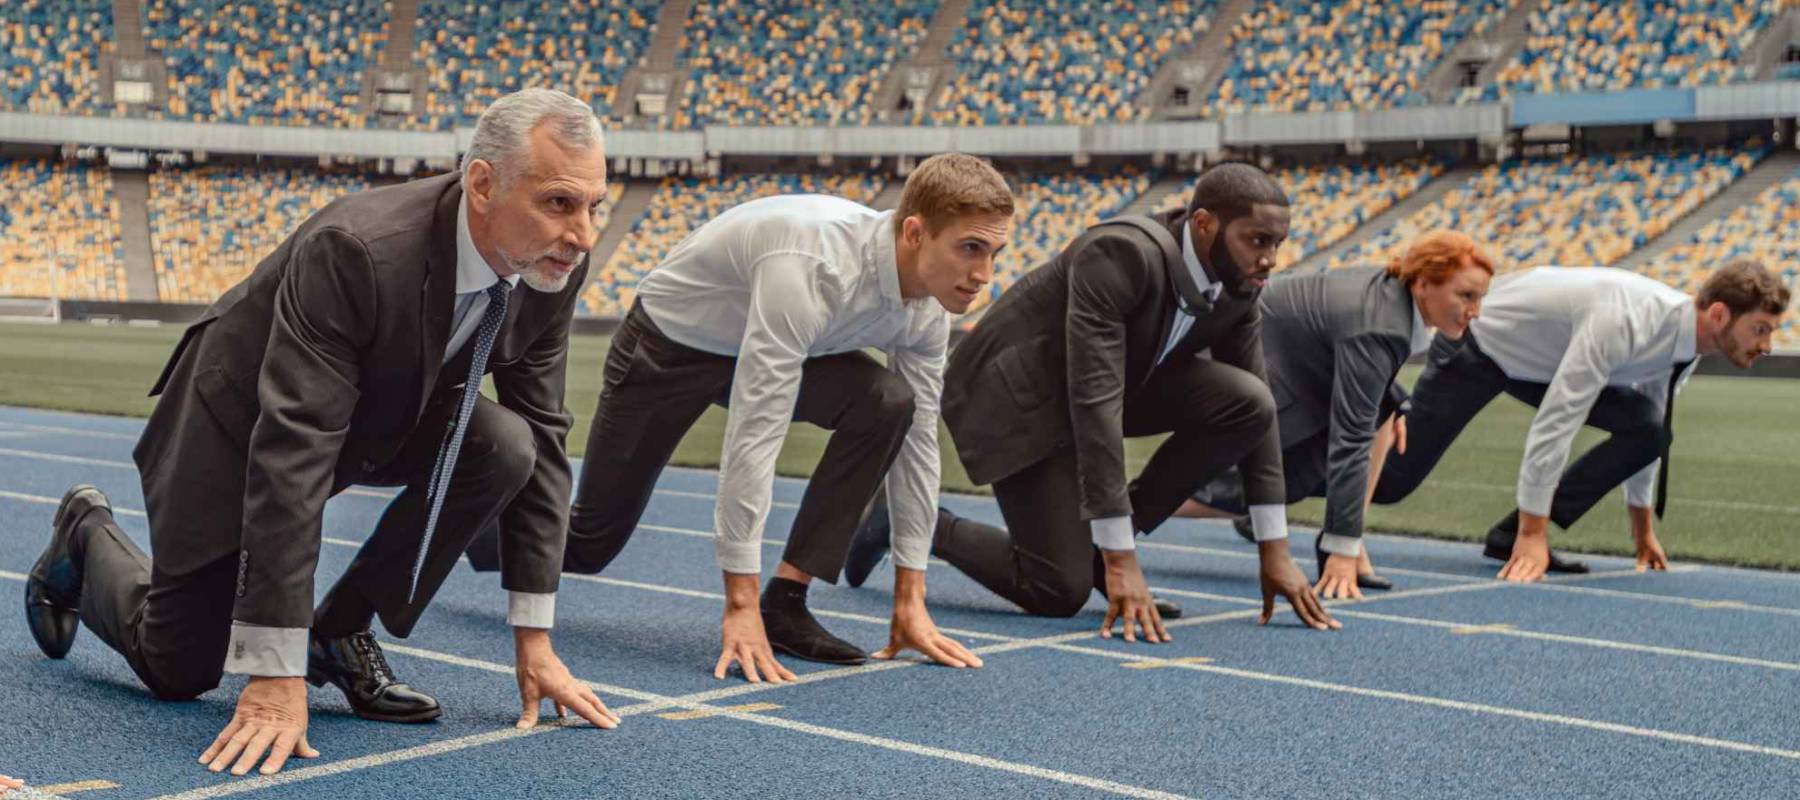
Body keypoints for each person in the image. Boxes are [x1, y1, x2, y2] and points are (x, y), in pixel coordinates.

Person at [23, 89, 618, 778]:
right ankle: (84, 533)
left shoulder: (548, 267)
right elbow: (294, 447)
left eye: (594, 205)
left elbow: (544, 436)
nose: (583, 235)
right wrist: (273, 672)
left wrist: (535, 639)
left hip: (386, 409)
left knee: (506, 444)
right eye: (559, 203)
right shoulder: (359, 249)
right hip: (238, 421)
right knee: (178, 667)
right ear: (483, 184)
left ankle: (336, 633)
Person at [479, 153, 1011, 682]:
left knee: (891, 404)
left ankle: (788, 600)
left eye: (994, 252)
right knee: (591, 543)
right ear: (916, 233)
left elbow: (917, 445)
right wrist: (738, 605)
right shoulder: (812, 265)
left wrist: (910, 597)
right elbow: (757, 431)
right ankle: (474, 527)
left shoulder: (928, 309)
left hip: (757, 342)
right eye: (970, 249)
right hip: (668, 348)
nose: (983, 275)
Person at [846, 162, 1337, 640]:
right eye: (1257, 240)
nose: (1270, 258)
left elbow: (1261, 412)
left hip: (1109, 387)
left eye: (1277, 243)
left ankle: (1099, 554)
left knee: (1248, 402)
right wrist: (1122, 558)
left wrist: (1275, 548)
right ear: (1205, 224)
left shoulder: (1239, 287)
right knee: (1057, 590)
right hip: (1015, 398)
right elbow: (1094, 399)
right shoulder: (1120, 254)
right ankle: (907, 519)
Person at [1372, 260, 1791, 581]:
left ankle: (1507, 534)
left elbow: (1652, 432)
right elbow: (1558, 421)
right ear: (1719, 315)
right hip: (1479, 344)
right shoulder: (1624, 320)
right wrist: (1533, 536)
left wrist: (1641, 534)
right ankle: (1313, 466)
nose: (1767, 345)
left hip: (1541, 361)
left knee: (1648, 425)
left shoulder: (1685, 349)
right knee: (1391, 482)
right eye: (1760, 330)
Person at [1178, 231, 1494, 599]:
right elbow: (1351, 439)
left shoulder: (1392, 295)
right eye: (1466, 296)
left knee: (1382, 414)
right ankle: (1123, 511)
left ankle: (1347, 540)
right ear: (1424, 284)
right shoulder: (1381, 322)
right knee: (1266, 487)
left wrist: (1393, 403)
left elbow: (1360, 366)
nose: (1475, 311)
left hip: (1287, 365)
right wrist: (1340, 555)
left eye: (1480, 298)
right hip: (1242, 366)